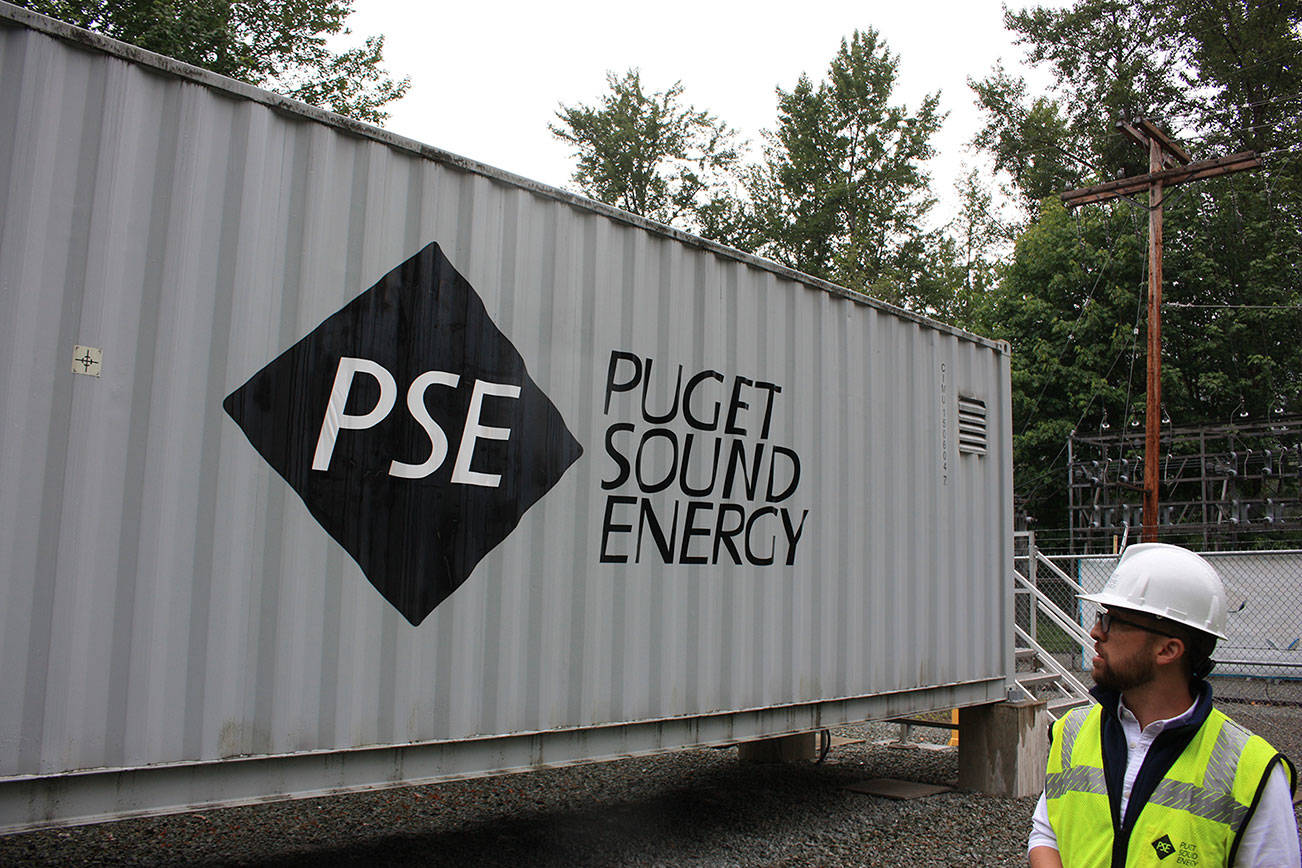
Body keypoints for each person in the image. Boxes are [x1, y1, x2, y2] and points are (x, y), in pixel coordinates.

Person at [1027, 543, 1299, 867]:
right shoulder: (1071, 731)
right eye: (1102, 616)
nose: (1096, 631)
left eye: (1113, 620)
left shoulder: (1251, 770)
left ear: (1168, 650)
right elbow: (1046, 834)